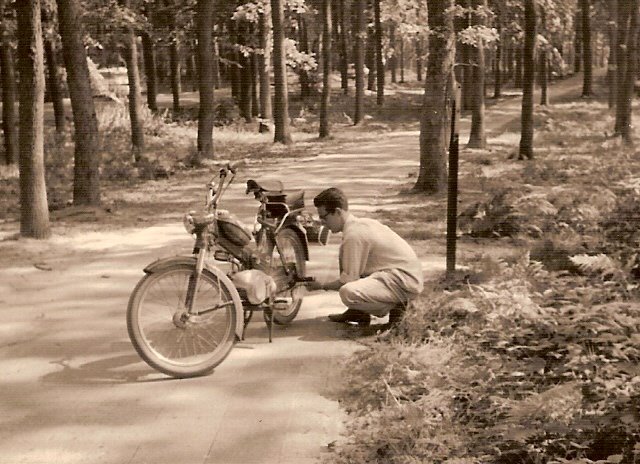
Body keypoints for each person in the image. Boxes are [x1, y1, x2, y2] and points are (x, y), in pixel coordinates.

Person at [306, 187, 423, 330]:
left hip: (402, 280)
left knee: (348, 293)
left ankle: (399, 308)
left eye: (324, 217)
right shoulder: (359, 225)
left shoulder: (353, 235)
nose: (322, 222)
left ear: (337, 212)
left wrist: (322, 286)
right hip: (401, 277)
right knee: (349, 264)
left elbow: (347, 280)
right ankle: (357, 312)